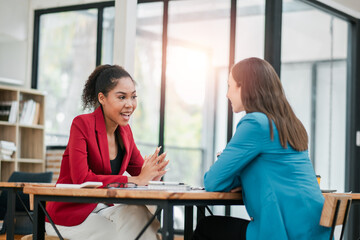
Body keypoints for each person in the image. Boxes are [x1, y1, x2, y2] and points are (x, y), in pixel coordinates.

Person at [192, 58, 331, 240]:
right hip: (314, 230)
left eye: (229, 86)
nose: (227, 94)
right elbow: (272, 171)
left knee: (207, 226)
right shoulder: (291, 125)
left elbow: (212, 182)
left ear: (244, 87)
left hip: (284, 232)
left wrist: (236, 176)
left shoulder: (255, 123)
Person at [45, 64, 169, 240]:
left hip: (100, 209)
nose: (130, 104)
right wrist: (135, 180)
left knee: (138, 214)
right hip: (68, 216)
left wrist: (152, 176)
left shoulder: (125, 132)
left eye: (133, 97)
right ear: (102, 98)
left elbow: (141, 175)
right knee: (126, 234)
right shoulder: (81, 125)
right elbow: (82, 178)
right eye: (121, 97)